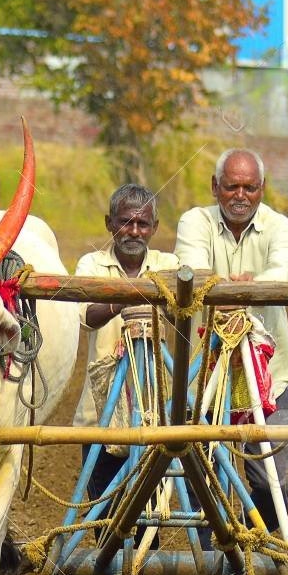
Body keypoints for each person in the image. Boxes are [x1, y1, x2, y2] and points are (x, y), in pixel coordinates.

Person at [174, 148, 288, 532]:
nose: (240, 195)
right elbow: (191, 271)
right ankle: (215, 554)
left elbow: (284, 273)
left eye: (249, 187)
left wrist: (239, 287)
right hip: (206, 376)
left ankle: (254, 532)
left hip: (271, 376)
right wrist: (239, 287)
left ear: (262, 189)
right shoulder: (194, 222)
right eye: (232, 187)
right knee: (200, 475)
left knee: (274, 482)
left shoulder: (282, 228)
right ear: (216, 187)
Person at [74, 184, 181, 503]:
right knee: (103, 514)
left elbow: (183, 314)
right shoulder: (91, 265)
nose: (133, 231)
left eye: (142, 224)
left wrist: (135, 294)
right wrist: (129, 298)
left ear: (154, 228)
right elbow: (84, 316)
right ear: (110, 223)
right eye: (125, 222)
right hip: (100, 409)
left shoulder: (169, 265)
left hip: (153, 409)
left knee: (150, 518)